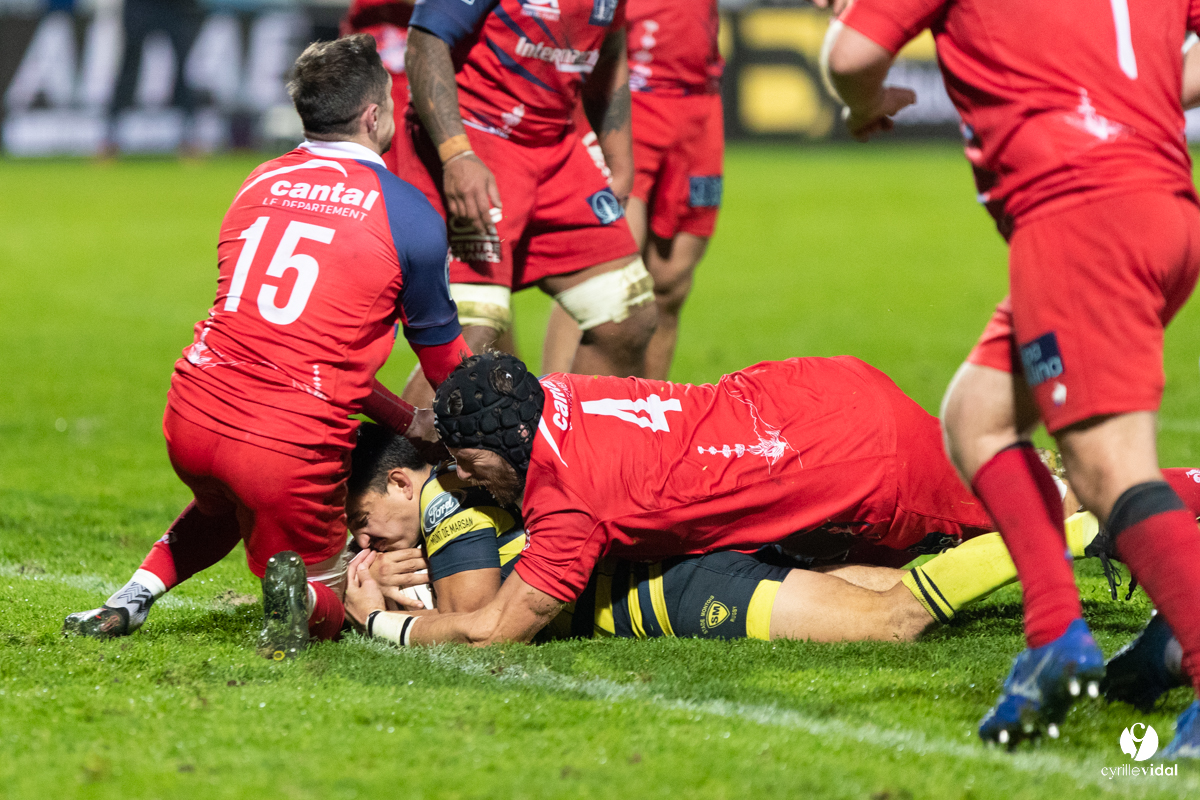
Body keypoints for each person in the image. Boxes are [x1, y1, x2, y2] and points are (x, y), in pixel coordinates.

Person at [823, 0, 1200, 754]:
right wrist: (1136, 97)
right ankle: (1056, 635)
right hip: (1162, 207)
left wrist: (865, 106)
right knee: (978, 417)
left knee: (1107, 468)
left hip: (1079, 217)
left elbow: (850, 56)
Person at [62, 35, 471, 659]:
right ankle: (301, 601)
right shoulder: (407, 213)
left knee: (223, 500)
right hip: (286, 446)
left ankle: (130, 598)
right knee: (342, 604)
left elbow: (293, 340)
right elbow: (446, 364)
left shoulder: (258, 182)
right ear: (373, 115)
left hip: (191, 413)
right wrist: (502, 428)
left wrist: (402, 418)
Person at [337, 351, 1006, 649]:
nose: (461, 476)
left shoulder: (572, 500)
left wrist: (378, 623)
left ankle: (1086, 524)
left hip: (853, 464)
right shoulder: (555, 393)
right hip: (814, 392)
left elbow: (490, 634)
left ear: (498, 444)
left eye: (464, 463)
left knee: (1037, 517)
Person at [345, 421, 1110, 644]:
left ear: (403, 482)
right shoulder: (496, 474)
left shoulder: (451, 505)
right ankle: (1084, 521)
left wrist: (383, 619)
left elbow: (483, 624)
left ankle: (1066, 532)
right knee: (878, 589)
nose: (369, 546)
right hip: (688, 543)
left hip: (673, 591)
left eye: (365, 528)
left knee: (889, 621)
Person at [395, 0, 657, 407]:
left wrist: (619, 156)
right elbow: (425, 40)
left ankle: (561, 458)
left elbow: (611, 45)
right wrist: (456, 155)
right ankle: (389, 468)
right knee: (472, 337)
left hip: (557, 145)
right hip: (475, 137)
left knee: (626, 317)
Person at [542, 0, 726, 380]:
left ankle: (648, 420)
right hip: (632, 94)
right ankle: (556, 418)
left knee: (670, 283)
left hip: (700, 100)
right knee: (602, 274)